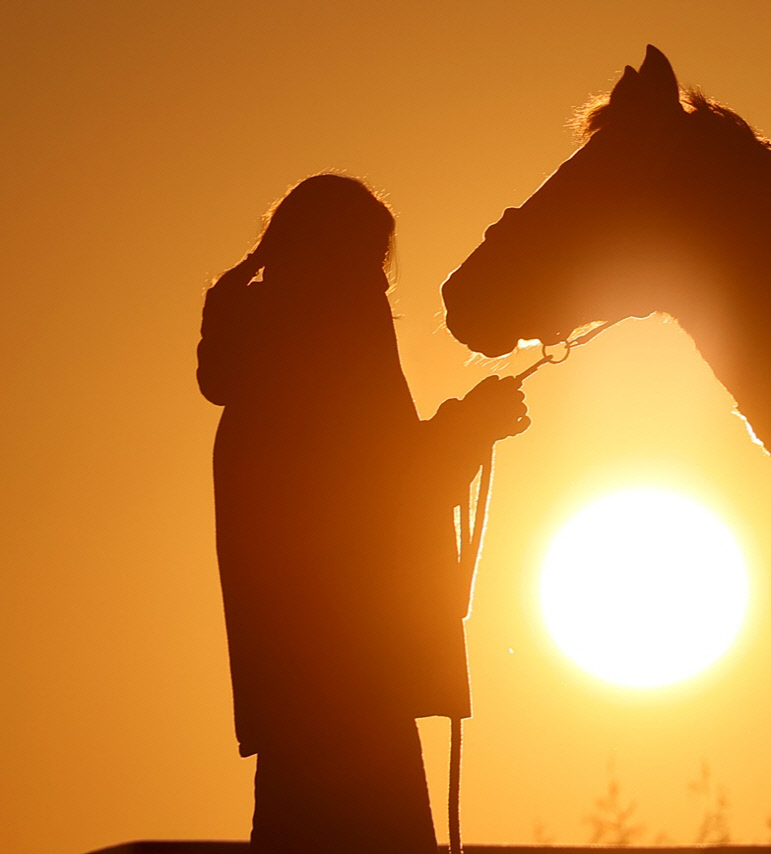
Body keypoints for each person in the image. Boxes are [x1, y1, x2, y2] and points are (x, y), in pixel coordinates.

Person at [197, 173, 528, 853]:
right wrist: (475, 424)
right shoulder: (340, 332)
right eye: (374, 261)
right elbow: (391, 485)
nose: (381, 284)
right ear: (339, 257)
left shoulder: (260, 361)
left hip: (294, 691)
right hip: (356, 683)